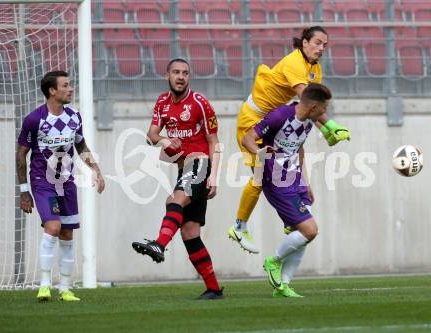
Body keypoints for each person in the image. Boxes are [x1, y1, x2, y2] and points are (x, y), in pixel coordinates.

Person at [228, 26, 351, 254]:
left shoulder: (314, 69)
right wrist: (331, 125)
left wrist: (326, 133)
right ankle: (239, 226)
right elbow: (307, 100)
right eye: (317, 42)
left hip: (273, 119)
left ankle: (288, 221)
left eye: (325, 44)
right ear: (304, 42)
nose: (321, 48)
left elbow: (310, 109)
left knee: (287, 164)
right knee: (260, 175)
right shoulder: (295, 63)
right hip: (253, 119)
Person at [131, 59, 223, 300]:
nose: (180, 77)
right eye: (176, 72)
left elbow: (214, 141)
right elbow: (151, 135)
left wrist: (213, 176)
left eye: (184, 73)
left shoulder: (200, 103)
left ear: (189, 77)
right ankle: (214, 289)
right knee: (190, 232)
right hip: (184, 168)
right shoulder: (162, 102)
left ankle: (160, 244)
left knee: (174, 199)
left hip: (201, 163)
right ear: (167, 76)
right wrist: (165, 141)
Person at [16, 70, 105, 302]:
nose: (70, 88)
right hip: (42, 182)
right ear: (52, 91)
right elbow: (20, 155)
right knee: (53, 227)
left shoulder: (74, 117)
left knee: (67, 233)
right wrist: (24, 191)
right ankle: (44, 285)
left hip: (66, 183)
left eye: (70, 84)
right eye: (65, 85)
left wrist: (96, 169)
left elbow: (81, 145)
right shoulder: (35, 119)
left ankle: (65, 288)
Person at [242, 83, 332, 297]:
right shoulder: (279, 116)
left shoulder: (308, 121)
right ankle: (274, 261)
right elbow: (247, 138)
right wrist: (260, 152)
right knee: (310, 230)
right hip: (276, 179)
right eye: (324, 108)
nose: (325, 113)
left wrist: (306, 182)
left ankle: (284, 285)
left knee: (302, 234)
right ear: (313, 107)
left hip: (295, 178)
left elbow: (298, 147)